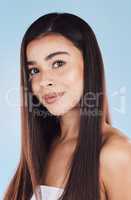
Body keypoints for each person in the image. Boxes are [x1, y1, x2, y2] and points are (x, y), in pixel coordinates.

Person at [4, 12, 131, 200]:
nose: (44, 81)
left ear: (89, 64)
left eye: (58, 63)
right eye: (34, 70)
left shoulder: (115, 154)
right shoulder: (41, 148)